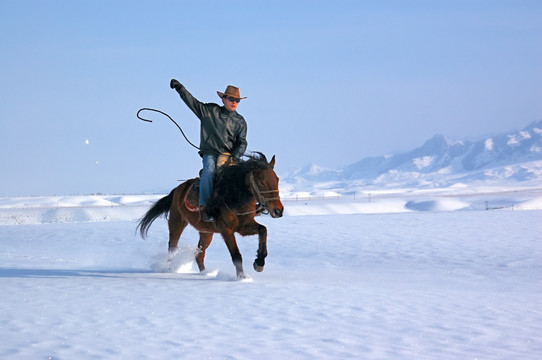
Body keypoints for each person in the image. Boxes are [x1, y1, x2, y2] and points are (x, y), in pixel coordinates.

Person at [170, 79, 248, 222]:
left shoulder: (241, 121)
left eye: (237, 100)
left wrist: (235, 156)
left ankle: (251, 206)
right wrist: (180, 88)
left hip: (230, 156)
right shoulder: (209, 111)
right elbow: (192, 103)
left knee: (246, 176)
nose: (235, 102)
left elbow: (242, 142)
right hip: (211, 153)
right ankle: (206, 208)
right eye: (231, 99)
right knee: (210, 171)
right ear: (223, 99)